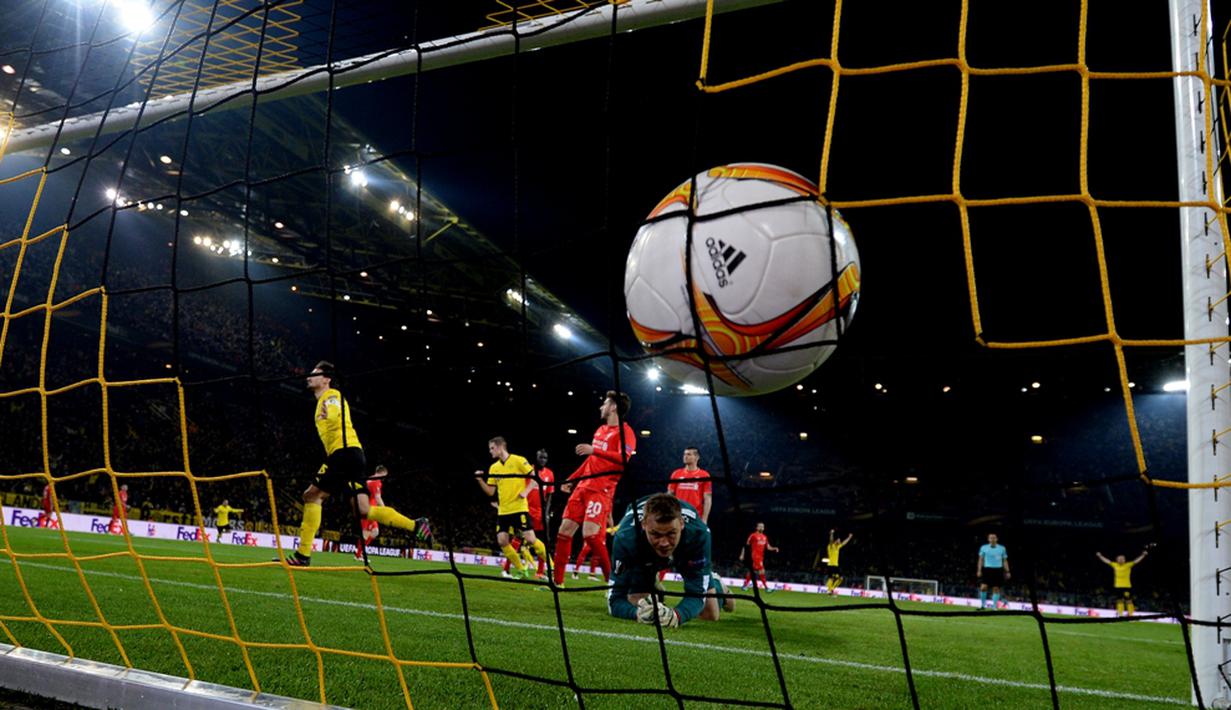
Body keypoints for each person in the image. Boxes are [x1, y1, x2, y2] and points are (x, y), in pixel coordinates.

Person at [278, 361, 427, 567]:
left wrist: (328, 415)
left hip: (343, 453)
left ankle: (303, 555)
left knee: (311, 495)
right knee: (362, 510)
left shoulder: (331, 396)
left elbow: (334, 410)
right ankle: (416, 526)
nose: (308, 377)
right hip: (354, 455)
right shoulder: (323, 400)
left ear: (326, 379)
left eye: (314, 373)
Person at [608, 493, 733, 628]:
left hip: (684, 555)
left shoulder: (698, 535)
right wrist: (636, 613)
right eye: (655, 534)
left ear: (681, 523)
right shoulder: (626, 537)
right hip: (643, 558)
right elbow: (615, 600)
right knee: (639, 603)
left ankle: (716, 583)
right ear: (644, 525)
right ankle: (652, 582)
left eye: (671, 533)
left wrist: (676, 616)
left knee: (709, 614)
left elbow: (696, 595)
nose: (664, 543)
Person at [551, 391, 635, 586]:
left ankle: (612, 582)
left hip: (602, 489)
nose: (601, 407)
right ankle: (557, 583)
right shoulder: (600, 430)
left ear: (613, 407)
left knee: (590, 535)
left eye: (604, 403)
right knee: (563, 532)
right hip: (583, 487)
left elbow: (624, 459)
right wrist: (572, 479)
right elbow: (592, 460)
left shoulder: (626, 432)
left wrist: (594, 449)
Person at [475, 437, 548, 580]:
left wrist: (525, 492)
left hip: (519, 508)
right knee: (502, 541)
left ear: (500, 447)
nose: (490, 452)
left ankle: (552, 566)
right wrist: (480, 481)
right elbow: (490, 492)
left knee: (530, 539)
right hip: (503, 511)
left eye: (492, 448)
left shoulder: (518, 460)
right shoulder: (494, 467)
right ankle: (521, 570)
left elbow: (535, 478)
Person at [1097, 548, 1148, 617]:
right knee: (1119, 600)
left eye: (1122, 558)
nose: (1121, 559)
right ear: (1116, 559)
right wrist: (1100, 556)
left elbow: (1136, 561)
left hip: (1127, 586)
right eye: (1119, 558)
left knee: (1128, 601)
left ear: (1124, 560)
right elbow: (1107, 561)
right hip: (1117, 586)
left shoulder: (1128, 565)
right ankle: (1120, 615)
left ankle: (1130, 615)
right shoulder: (1114, 565)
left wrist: (1143, 555)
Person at [667, 447, 713, 524]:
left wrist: (704, 519)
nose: (685, 456)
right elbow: (670, 495)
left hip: (695, 515)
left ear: (697, 457)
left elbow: (707, 498)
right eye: (684, 454)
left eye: (689, 454)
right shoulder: (676, 474)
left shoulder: (704, 475)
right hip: (678, 514)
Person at [354, 465, 390, 560]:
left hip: (368, 508)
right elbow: (378, 498)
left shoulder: (369, 479)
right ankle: (358, 554)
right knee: (366, 532)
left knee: (375, 532)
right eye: (384, 475)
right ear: (382, 473)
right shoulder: (376, 481)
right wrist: (385, 510)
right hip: (368, 510)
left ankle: (359, 552)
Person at [740, 522, 779, 591]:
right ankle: (766, 588)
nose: (761, 527)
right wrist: (742, 554)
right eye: (760, 526)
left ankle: (745, 585)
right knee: (761, 571)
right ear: (757, 527)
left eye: (762, 527)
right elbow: (746, 545)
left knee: (752, 571)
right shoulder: (753, 535)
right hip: (754, 556)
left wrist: (774, 548)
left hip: (761, 557)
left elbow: (768, 547)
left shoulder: (765, 537)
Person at [977, 533, 1010, 609]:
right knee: (983, 587)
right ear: (988, 539)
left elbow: (1005, 560)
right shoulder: (983, 547)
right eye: (991, 538)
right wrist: (979, 570)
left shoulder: (1002, 548)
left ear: (997, 539)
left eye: (994, 538)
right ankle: (982, 605)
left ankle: (994, 607)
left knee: (996, 589)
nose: (992, 539)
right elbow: (980, 560)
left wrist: (1007, 571)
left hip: (998, 570)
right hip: (987, 569)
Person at [824, 529, 853, 595]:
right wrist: (831, 533)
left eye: (840, 540)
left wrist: (849, 537)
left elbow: (844, 543)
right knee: (831, 578)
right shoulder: (831, 546)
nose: (839, 541)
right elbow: (831, 540)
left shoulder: (838, 547)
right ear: (836, 540)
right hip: (830, 565)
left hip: (836, 565)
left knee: (841, 578)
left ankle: (832, 589)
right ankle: (829, 590)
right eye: (838, 540)